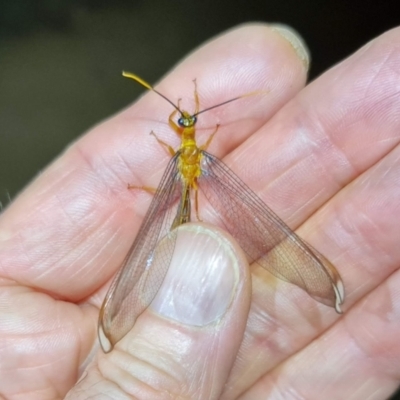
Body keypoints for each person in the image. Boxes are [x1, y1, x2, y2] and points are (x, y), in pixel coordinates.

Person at [1, 23, 399, 399]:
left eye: (185, 123)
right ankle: (122, 317)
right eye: (182, 123)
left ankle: (315, 280)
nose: (184, 125)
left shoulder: (185, 154)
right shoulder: (186, 155)